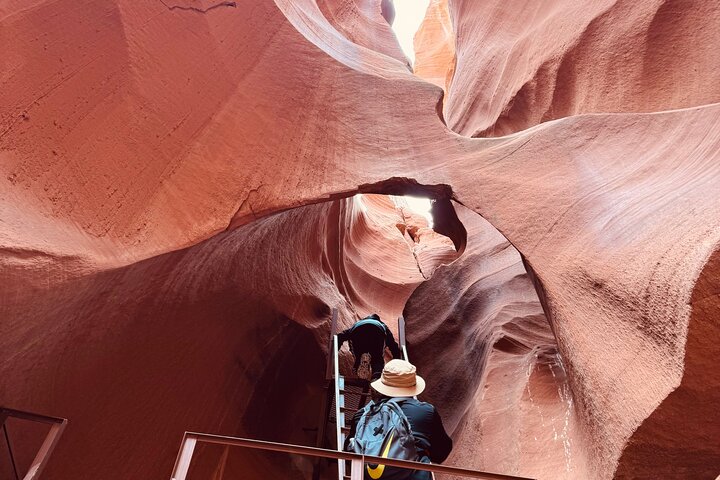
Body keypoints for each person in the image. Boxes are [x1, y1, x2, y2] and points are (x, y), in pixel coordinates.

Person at [345, 359, 453, 479]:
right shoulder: (426, 412)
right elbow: (441, 452)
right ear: (412, 386)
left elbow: (349, 455)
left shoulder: (362, 415)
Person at [337, 314, 402, 381]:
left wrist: (336, 350)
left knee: (358, 356)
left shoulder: (358, 323)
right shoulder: (382, 325)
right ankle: (376, 376)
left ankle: (359, 364)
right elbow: (393, 346)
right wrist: (397, 361)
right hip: (377, 331)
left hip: (358, 331)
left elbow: (340, 336)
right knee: (377, 359)